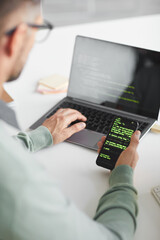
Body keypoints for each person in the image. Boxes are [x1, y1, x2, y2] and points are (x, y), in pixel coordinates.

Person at [0, 0, 140, 239]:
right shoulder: (17, 180)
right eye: (39, 28)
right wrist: (123, 176)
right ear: (18, 37)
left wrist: (37, 138)